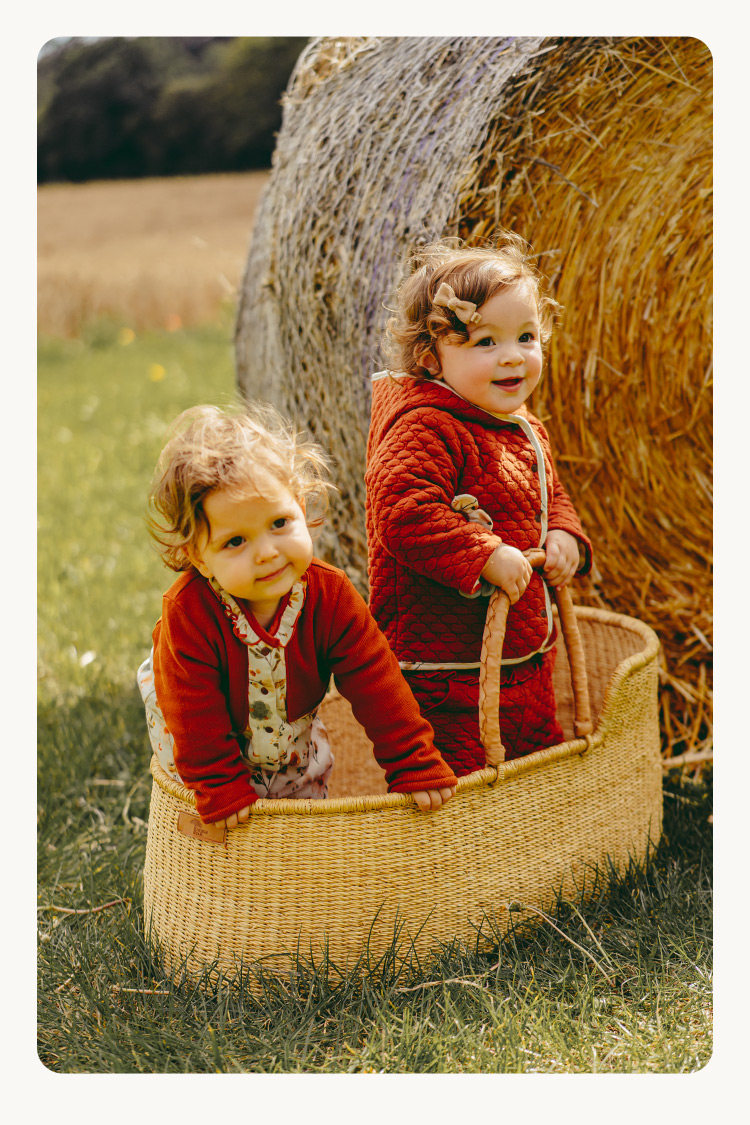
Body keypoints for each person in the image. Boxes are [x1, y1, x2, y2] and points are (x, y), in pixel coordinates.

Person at [138, 404, 457, 826]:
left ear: (301, 510)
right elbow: (192, 714)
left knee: (300, 812)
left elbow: (375, 679)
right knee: (222, 822)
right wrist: (219, 784)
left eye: (279, 523)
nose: (267, 552)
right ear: (198, 556)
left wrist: (412, 760)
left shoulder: (329, 595)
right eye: (235, 542)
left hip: (289, 734)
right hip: (200, 744)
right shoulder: (189, 613)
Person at [366, 233, 593, 777]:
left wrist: (563, 534)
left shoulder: (521, 425)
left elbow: (549, 494)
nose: (513, 355)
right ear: (431, 358)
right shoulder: (426, 427)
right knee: (457, 778)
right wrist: (482, 553)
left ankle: (536, 826)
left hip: (525, 658)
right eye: (485, 342)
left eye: (526, 337)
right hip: (445, 671)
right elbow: (402, 511)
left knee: (536, 766)